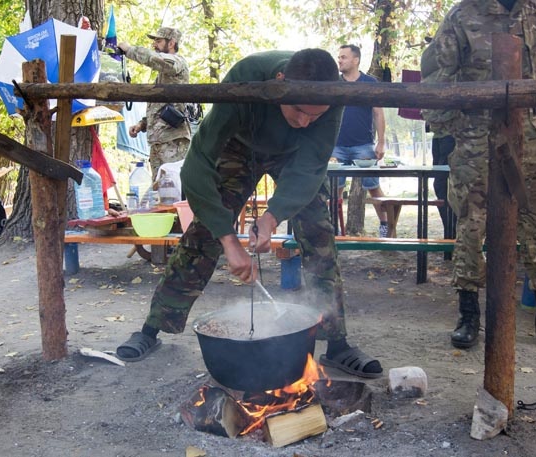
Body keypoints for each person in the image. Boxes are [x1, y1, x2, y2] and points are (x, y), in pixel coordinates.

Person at [115, 49, 383, 379]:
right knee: (204, 234)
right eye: (298, 110)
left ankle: (337, 344)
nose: (304, 121)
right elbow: (197, 166)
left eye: (314, 116)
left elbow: (310, 167)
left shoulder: (330, 97)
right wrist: (228, 239)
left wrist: (271, 218)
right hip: (239, 146)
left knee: (319, 232)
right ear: (279, 84)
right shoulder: (245, 81)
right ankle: (152, 328)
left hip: (295, 155)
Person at [420, 0, 536, 349]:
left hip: (534, 137)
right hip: (478, 138)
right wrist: (462, 129)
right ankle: (469, 313)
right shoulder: (463, 14)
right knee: (472, 224)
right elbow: (436, 79)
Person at [118, 27, 191, 179]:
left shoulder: (177, 62)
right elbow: (160, 108)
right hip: (158, 141)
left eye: (158, 41)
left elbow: (158, 60)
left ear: (171, 43)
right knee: (160, 191)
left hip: (172, 141)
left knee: (174, 187)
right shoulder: (163, 76)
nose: (154, 45)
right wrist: (142, 125)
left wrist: (130, 50)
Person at [332, 45, 389, 237]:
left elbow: (378, 113)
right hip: (336, 147)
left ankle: (386, 227)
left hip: (363, 145)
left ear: (355, 60)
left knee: (373, 187)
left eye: (343, 57)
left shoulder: (370, 82)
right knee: (335, 189)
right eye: (339, 57)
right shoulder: (334, 84)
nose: (339, 60)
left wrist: (381, 142)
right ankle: (335, 229)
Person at [430, 130, 456, 238]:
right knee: (440, 186)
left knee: (446, 187)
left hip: (453, 133)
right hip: (439, 133)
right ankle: (450, 234)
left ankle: (452, 235)